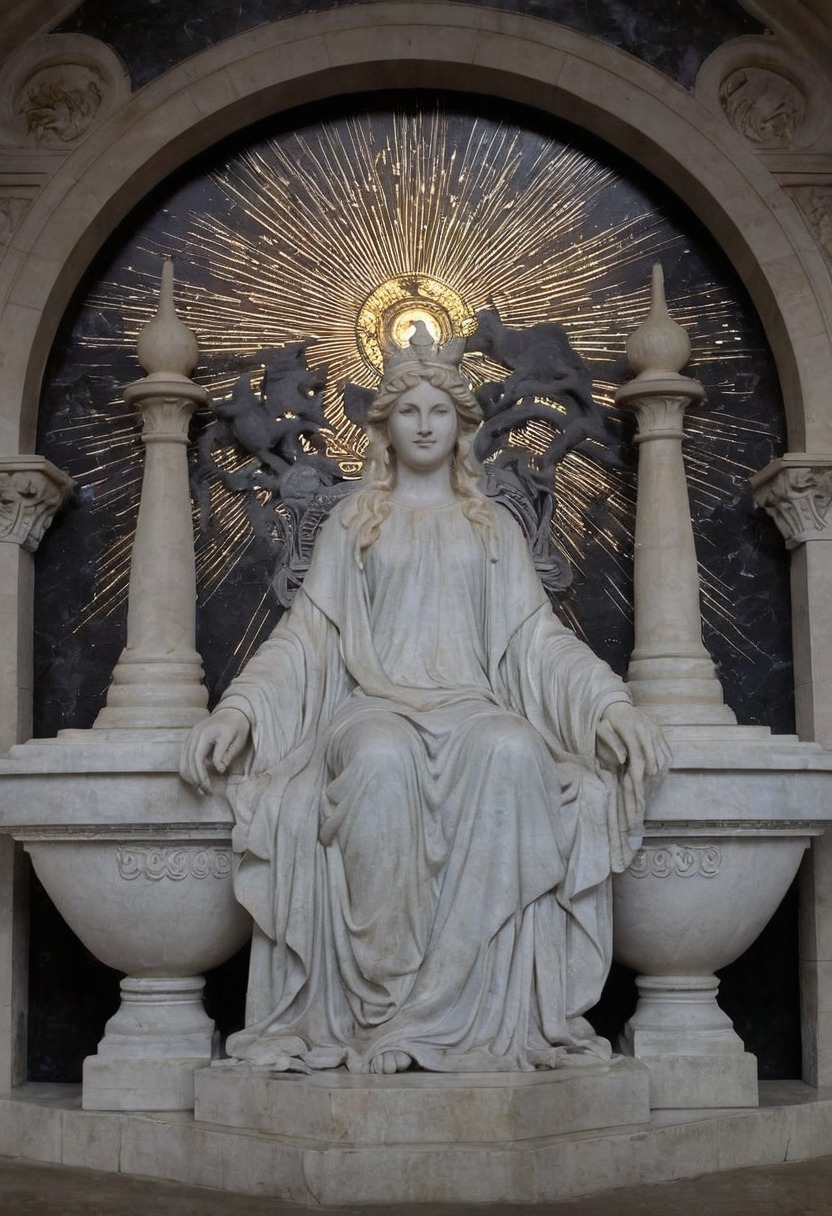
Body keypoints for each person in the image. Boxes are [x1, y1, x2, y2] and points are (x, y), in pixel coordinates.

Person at [180, 323, 670, 1075]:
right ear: (385, 423)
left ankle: (466, 1013)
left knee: (513, 751)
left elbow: (536, 642)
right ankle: (385, 1006)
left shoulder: (493, 526)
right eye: (408, 411)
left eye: (439, 411)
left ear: (462, 423)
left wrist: (610, 707)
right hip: (372, 707)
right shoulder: (353, 523)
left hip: (471, 707)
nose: (424, 424)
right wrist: (239, 710)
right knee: (378, 762)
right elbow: (308, 639)